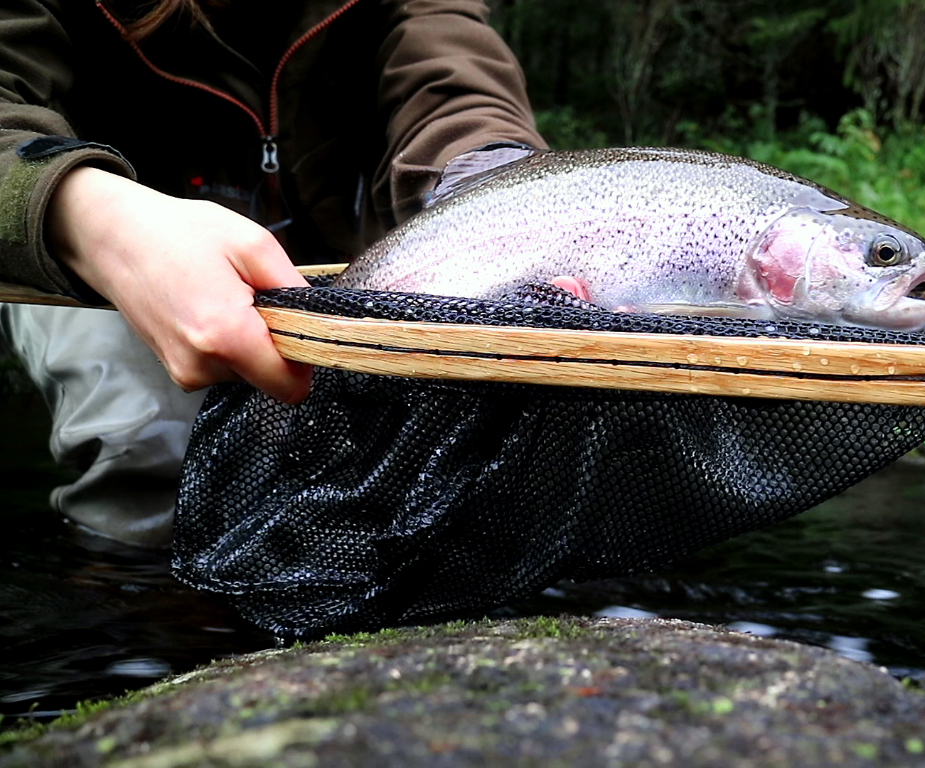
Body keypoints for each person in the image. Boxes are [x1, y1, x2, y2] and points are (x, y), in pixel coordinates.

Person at [0, 0, 544, 546]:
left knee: (420, 476)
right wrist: (94, 220)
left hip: (352, 266)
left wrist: (488, 183)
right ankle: (148, 614)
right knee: (155, 451)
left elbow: (452, 75)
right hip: (76, 253)